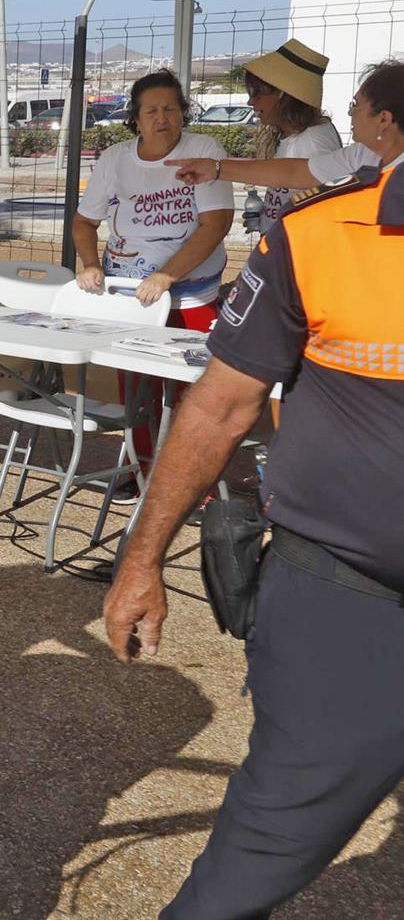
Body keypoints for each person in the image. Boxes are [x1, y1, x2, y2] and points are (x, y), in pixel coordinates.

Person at [103, 60, 404, 918]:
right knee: (260, 854)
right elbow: (220, 405)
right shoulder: (325, 234)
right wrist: (142, 557)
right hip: (351, 602)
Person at [72, 70, 233, 483]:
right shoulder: (116, 159)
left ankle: (189, 479)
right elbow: (84, 222)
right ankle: (143, 470)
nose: (162, 118)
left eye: (171, 109)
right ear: (136, 118)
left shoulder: (202, 149)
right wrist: (90, 263)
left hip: (190, 292)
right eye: (152, 110)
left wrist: (166, 276)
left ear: (183, 113)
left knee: (190, 390)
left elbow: (215, 224)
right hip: (131, 294)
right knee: (137, 387)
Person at [167, 40, 382, 217]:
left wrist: (216, 168)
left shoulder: (314, 141)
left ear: (285, 97)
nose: (251, 103)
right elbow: (292, 177)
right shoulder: (294, 136)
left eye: (257, 94)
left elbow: (316, 199)